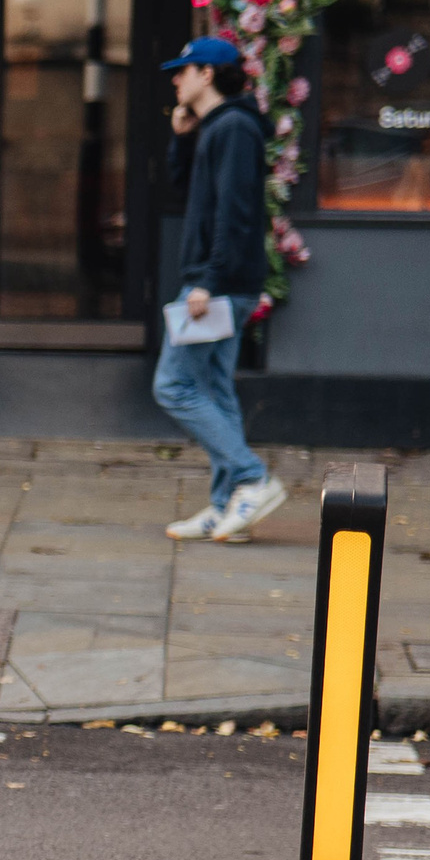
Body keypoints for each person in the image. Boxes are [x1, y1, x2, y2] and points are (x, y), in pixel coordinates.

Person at [155, 36, 286, 543]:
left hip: (221, 284)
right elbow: (183, 187)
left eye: (183, 71)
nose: (175, 79)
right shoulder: (218, 127)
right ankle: (227, 506)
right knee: (213, 390)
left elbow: (236, 213)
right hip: (221, 282)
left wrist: (207, 282)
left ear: (207, 74)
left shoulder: (234, 127)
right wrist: (182, 136)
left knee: (174, 386)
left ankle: (253, 479)